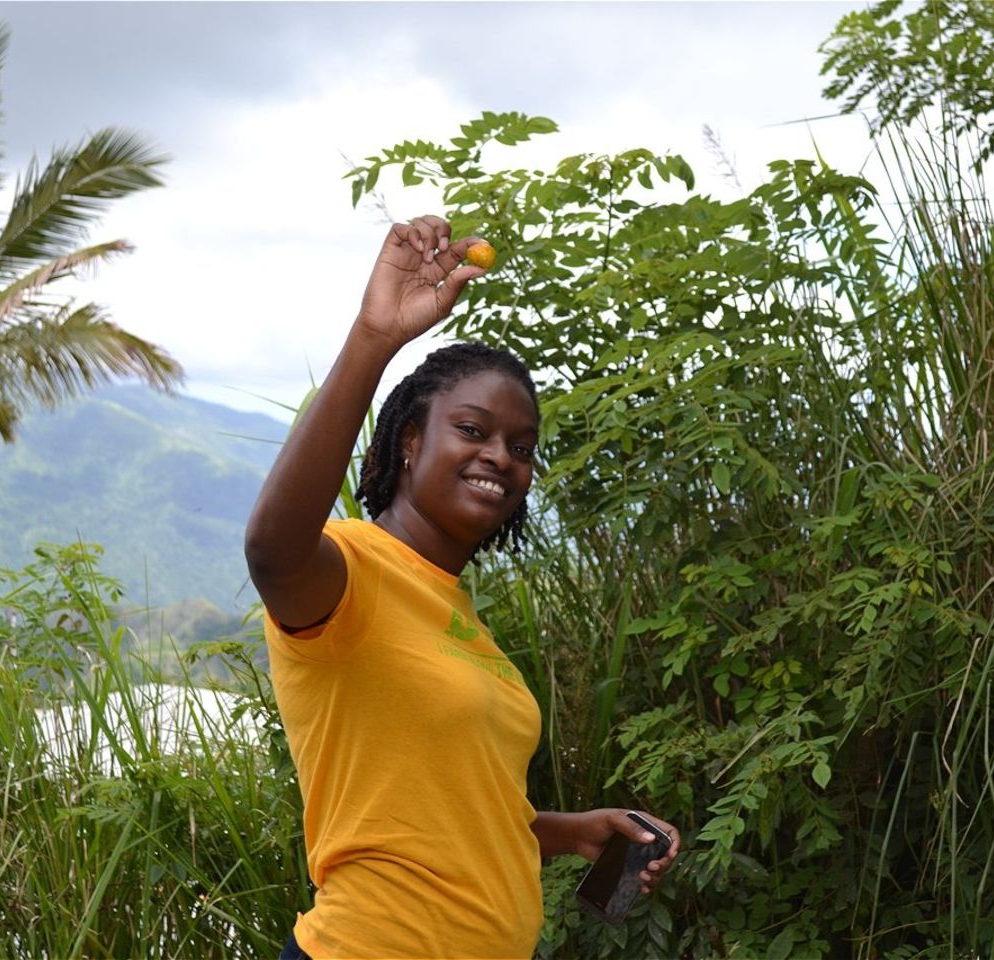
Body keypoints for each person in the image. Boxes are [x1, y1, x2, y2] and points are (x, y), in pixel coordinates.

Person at [245, 215, 682, 960]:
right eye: (473, 430)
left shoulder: (461, 619)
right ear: (411, 441)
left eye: (520, 447)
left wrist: (567, 831)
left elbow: (440, 817)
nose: (501, 457)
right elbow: (272, 551)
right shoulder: (350, 569)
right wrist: (374, 338)